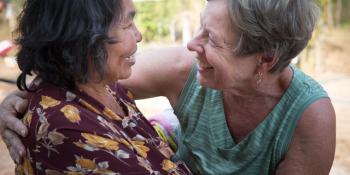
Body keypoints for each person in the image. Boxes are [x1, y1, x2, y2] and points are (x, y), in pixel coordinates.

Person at [0, 0, 336, 174]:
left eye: (211, 39)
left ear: (264, 60)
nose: (192, 44)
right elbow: (80, 71)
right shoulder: (184, 70)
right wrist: (17, 101)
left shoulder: (308, 117)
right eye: (200, 28)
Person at [4, 0, 192, 174]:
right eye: (127, 25)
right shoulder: (65, 127)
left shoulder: (104, 85)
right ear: (83, 38)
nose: (139, 35)